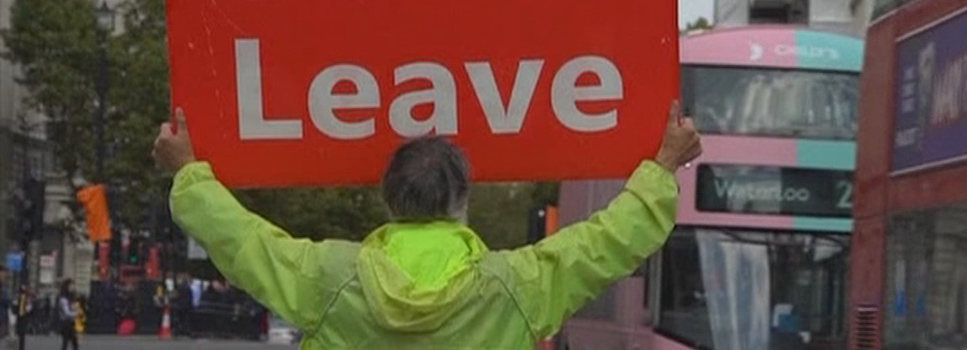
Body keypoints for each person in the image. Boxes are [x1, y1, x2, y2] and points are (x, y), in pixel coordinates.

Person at [154, 101, 701, 349]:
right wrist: (663, 169)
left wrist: (190, 174)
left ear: (389, 199)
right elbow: (607, 242)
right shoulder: (515, 285)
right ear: (463, 198)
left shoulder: (330, 278)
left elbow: (243, 241)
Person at [57, 280, 78, 350]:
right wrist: (75, 313)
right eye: (71, 286)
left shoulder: (70, 298)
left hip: (70, 322)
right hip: (65, 323)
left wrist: (74, 308)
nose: (73, 288)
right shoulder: (63, 299)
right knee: (67, 342)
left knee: (73, 342)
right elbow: (66, 312)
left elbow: (72, 307)